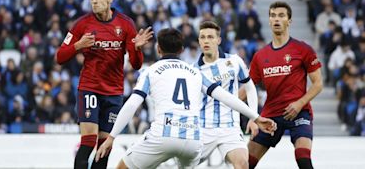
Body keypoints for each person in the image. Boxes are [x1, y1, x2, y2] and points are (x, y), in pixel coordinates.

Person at [95, 28, 277, 169]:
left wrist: (111, 137)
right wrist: (255, 116)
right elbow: (225, 97)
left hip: (162, 135)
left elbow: (133, 103)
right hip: (193, 139)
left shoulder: (151, 71)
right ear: (182, 50)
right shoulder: (195, 72)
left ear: (158, 49)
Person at [56, 0, 153, 169]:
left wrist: (137, 49)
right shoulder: (82, 24)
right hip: (89, 88)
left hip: (114, 94)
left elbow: (136, 64)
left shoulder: (125, 25)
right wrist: (78, 45)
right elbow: (60, 56)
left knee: (104, 147)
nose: (94, 1)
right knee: (89, 141)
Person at [247, 1, 323, 169]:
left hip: (298, 112)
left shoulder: (303, 49)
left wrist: (299, 103)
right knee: (245, 163)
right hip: (270, 115)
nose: (276, 19)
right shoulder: (260, 56)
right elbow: (248, 88)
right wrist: (222, 101)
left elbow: (318, 84)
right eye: (273, 15)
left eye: (281, 15)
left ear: (289, 21)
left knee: (303, 157)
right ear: (269, 21)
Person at [196, 20, 259, 169]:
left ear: (218, 40)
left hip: (230, 127)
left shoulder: (234, 61)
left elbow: (250, 87)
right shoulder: (194, 70)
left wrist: (253, 116)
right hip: (203, 128)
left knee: (243, 164)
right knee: (182, 164)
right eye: (202, 37)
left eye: (210, 37)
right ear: (199, 41)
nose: (206, 41)